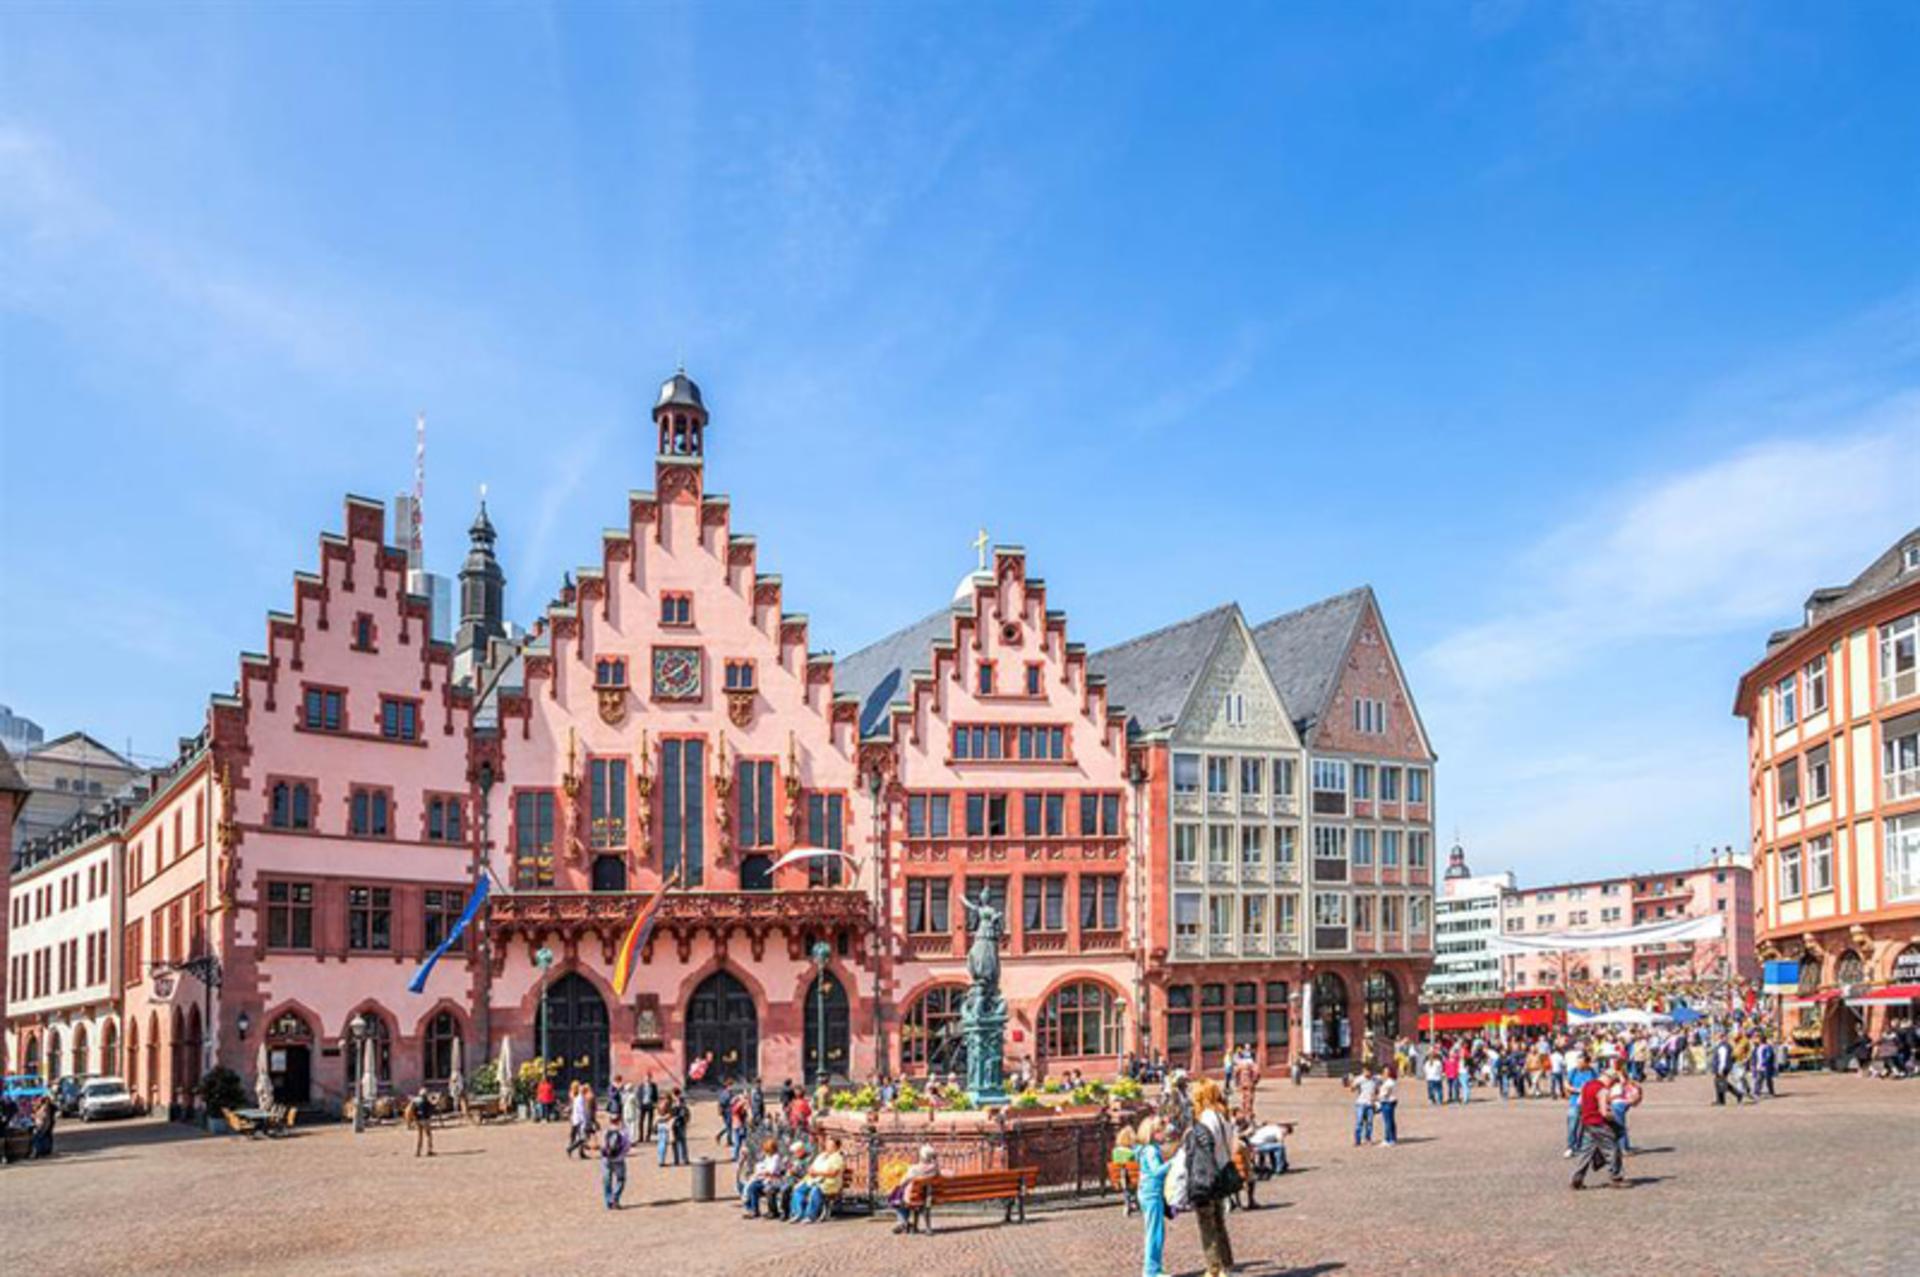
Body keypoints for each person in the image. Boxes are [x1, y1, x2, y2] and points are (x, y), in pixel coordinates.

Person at [1186, 1078, 1237, 1277]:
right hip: (1222, 1175)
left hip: (1206, 1177)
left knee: (1207, 1224)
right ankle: (1227, 1265)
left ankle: (1214, 1269)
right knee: (1219, 1222)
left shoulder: (1205, 1120)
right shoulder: (1223, 1118)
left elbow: (1200, 1152)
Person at [1569, 1064, 1624, 1190]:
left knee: (1585, 1152)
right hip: (1599, 1123)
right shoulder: (1602, 1090)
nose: (1612, 1085)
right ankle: (1616, 1176)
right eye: (1613, 1082)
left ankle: (1577, 1179)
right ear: (1610, 1078)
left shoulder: (1587, 1085)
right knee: (1612, 1149)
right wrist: (1614, 1117)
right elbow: (1604, 1112)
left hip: (1586, 1123)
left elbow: (1580, 1103)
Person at [1136, 1117, 1174, 1277]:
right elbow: (1156, 1171)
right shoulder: (1151, 1150)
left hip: (1148, 1192)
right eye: (1160, 1132)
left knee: (1155, 1231)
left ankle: (1153, 1268)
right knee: (1155, 1232)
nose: (1164, 1135)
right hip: (1151, 1193)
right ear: (1153, 1133)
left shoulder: (1146, 1148)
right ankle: (1151, 1270)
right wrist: (1173, 1162)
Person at [789, 1135, 846, 1224]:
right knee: (798, 1189)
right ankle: (798, 1213)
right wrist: (810, 1172)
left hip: (829, 1183)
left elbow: (833, 1173)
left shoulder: (837, 1157)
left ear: (836, 1147)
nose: (828, 1147)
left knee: (815, 1190)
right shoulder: (822, 1155)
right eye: (827, 1144)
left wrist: (818, 1173)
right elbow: (812, 1167)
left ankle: (810, 1216)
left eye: (831, 1145)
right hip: (814, 1179)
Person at [890, 1145, 941, 1234]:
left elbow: (902, 1182)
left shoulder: (914, 1169)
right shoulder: (935, 1169)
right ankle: (923, 1227)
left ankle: (902, 1223)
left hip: (913, 1197)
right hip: (927, 1197)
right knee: (908, 1198)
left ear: (921, 1156)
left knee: (897, 1199)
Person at [743, 1138, 788, 1218]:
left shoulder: (776, 1157)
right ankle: (754, 1210)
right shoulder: (768, 1156)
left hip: (775, 1180)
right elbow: (764, 1166)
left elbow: (771, 1171)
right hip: (766, 1179)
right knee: (752, 1187)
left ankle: (772, 1211)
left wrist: (762, 1172)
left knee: (766, 1189)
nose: (765, 1152)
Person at [600, 1118, 630, 1209]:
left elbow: (601, 1146)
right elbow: (627, 1147)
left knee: (607, 1181)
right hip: (619, 1160)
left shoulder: (605, 1132)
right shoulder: (624, 1133)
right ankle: (615, 1198)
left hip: (607, 1159)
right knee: (620, 1179)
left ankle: (608, 1201)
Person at [405, 1088, 435, 1158]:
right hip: (425, 1120)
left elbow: (411, 1110)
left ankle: (418, 1151)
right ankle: (429, 1150)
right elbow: (431, 1109)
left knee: (420, 1136)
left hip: (417, 1120)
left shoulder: (415, 1101)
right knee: (428, 1135)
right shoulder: (426, 1101)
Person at [1377, 1067, 1399, 1147]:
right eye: (1384, 1072)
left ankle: (1388, 1139)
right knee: (1391, 1121)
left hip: (1387, 1102)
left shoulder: (1389, 1082)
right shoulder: (1390, 1081)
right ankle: (1393, 1138)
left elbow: (1385, 1094)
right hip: (1390, 1101)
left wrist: (1376, 1098)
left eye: (1386, 1072)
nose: (1384, 1073)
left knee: (1387, 1122)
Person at [636, 1072, 659, 1142]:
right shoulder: (641, 1086)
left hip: (650, 1105)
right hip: (643, 1105)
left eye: (649, 1078)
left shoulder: (654, 1086)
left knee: (650, 1121)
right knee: (640, 1122)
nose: (647, 1079)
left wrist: (655, 1103)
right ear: (644, 1078)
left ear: (650, 1078)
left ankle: (648, 1137)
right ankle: (640, 1137)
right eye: (646, 1078)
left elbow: (656, 1095)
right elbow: (638, 1095)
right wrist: (639, 1103)